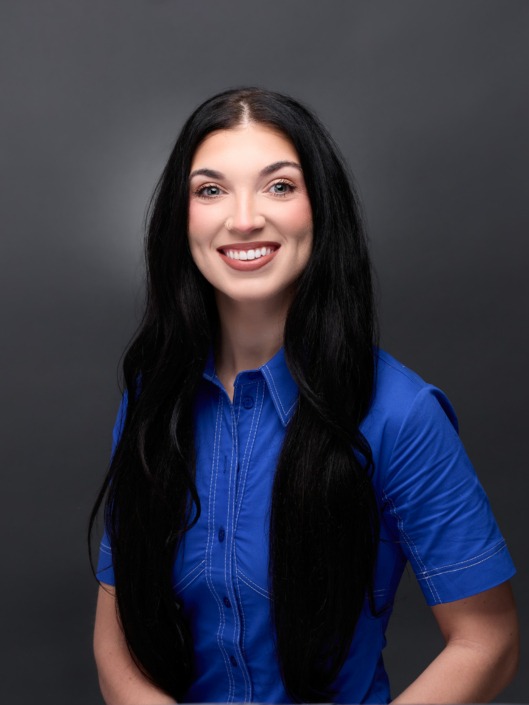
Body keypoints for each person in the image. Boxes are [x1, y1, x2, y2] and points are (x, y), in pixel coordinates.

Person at [90, 87, 518, 705]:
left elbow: (487, 642)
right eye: (210, 190)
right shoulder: (150, 398)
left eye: (279, 186)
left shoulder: (401, 414)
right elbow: (117, 633)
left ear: (321, 208)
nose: (243, 218)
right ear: (180, 220)